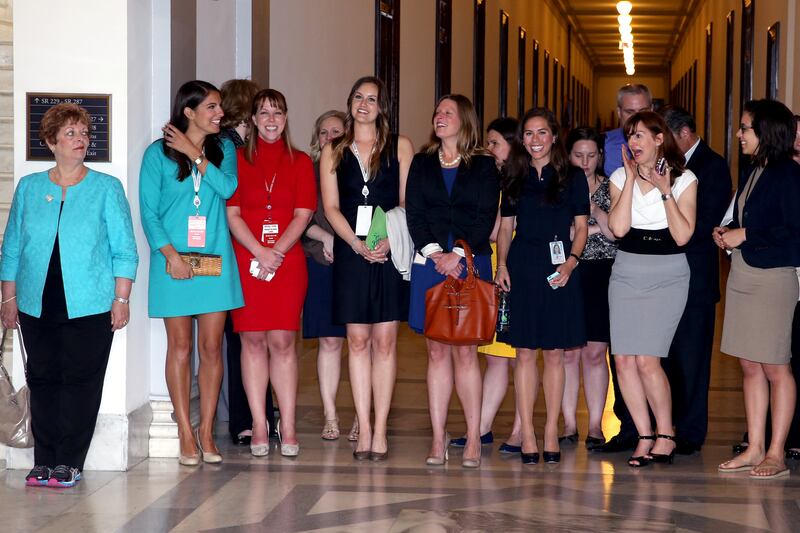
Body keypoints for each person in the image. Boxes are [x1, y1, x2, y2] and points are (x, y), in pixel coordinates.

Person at [0, 103, 138, 488]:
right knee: (42, 378)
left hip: (91, 302)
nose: (81, 140)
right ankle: (43, 460)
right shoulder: (30, 187)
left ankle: (70, 462)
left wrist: (121, 298)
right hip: (34, 301)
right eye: (71, 134)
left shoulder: (106, 188)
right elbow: (11, 247)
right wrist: (8, 299)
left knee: (81, 381)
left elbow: (124, 249)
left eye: (84, 133)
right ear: (50, 142)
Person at [140, 80, 243, 466]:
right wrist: (171, 256)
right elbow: (149, 212)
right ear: (189, 111)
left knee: (212, 348)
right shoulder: (156, 154)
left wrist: (195, 154)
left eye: (219, 107)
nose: (219, 114)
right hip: (173, 262)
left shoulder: (224, 148)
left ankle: (206, 432)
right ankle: (185, 431)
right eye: (212, 107)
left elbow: (228, 188)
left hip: (215, 260)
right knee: (180, 348)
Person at [321, 76, 414, 461]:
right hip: (352, 254)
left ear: (382, 107)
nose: (364, 104)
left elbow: (408, 202)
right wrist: (356, 245)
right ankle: (363, 427)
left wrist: (391, 241)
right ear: (350, 102)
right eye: (358, 97)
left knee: (385, 343)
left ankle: (380, 429)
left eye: (372, 98)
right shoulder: (333, 150)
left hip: (389, 252)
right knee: (356, 342)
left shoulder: (400, 147)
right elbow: (330, 207)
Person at [406, 94, 500, 468]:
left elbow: (485, 214)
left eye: (448, 112)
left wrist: (457, 255)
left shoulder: (484, 165)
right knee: (436, 352)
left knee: (465, 352)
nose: (439, 116)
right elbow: (414, 211)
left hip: (469, 260)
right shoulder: (422, 162)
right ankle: (437, 436)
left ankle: (474, 436)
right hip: (430, 263)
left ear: (465, 120)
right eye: (438, 112)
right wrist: (435, 253)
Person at [495, 108, 589, 465]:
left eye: (542, 133)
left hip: (560, 268)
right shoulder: (514, 176)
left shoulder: (572, 177)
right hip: (522, 266)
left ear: (553, 136)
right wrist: (501, 265)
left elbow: (581, 227)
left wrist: (571, 261)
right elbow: (506, 228)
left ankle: (551, 429)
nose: (535, 140)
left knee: (555, 353)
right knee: (523, 353)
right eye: (529, 134)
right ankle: (528, 433)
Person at [227, 89, 316, 457]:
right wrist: (259, 251)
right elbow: (232, 214)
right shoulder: (235, 160)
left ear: (286, 117)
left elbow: (304, 212)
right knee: (252, 341)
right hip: (248, 258)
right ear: (252, 120)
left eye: (277, 113)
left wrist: (275, 251)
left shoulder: (301, 161)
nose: (271, 120)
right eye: (263, 113)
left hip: (286, 261)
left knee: (282, 342)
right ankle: (260, 424)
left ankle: (289, 425)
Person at [715, 100, 800, 479]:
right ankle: (755, 447)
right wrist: (727, 231)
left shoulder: (789, 176)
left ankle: (777, 452)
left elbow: (794, 233)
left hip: (773, 279)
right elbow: (743, 215)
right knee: (749, 364)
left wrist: (746, 233)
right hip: (744, 274)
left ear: (765, 131)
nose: (739, 134)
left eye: (745, 128)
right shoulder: (754, 169)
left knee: (776, 366)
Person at [607, 111, 697, 467]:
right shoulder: (618, 176)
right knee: (624, 359)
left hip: (668, 273)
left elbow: (683, 235)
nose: (634, 142)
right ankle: (644, 435)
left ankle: (666, 433)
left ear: (660, 139)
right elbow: (617, 228)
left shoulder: (685, 178)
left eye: (641, 135)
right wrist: (630, 181)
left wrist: (664, 192)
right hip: (627, 270)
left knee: (648, 359)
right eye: (630, 136)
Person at [659, 105, 732, 455]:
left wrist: (668, 230)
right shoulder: (665, 165)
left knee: (692, 358)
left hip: (695, 278)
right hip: (663, 276)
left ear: (683, 133)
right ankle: (665, 427)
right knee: (666, 357)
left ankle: (690, 431)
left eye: (665, 135)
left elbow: (705, 223)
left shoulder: (712, 166)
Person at [450, 117, 523, 454]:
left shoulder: (519, 182)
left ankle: (521, 429)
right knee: (494, 354)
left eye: (496, 143)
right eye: (488, 142)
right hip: (489, 267)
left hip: (518, 268)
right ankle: (481, 427)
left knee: (519, 353)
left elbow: (496, 229)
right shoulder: (486, 177)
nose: (489, 149)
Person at [218, 78, 277, 447]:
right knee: (245, 338)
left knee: (251, 338)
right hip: (239, 250)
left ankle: (256, 416)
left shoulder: (247, 145)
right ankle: (249, 418)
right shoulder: (229, 146)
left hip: (249, 249)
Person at [597, 83, 653, 453]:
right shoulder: (606, 147)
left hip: (651, 260)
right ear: (618, 113)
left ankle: (658, 426)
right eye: (627, 111)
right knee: (619, 348)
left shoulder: (661, 147)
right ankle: (628, 425)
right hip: (609, 257)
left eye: (641, 110)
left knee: (649, 352)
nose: (633, 118)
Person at [301, 110, 358, 441]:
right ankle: (331, 415)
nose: (331, 137)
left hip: (358, 265)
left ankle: (362, 417)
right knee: (330, 341)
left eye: (337, 131)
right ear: (316, 139)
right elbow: (297, 215)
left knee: (361, 343)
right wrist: (326, 238)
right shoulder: (306, 172)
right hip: (321, 264)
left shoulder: (358, 173)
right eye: (324, 132)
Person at [561, 127, 615, 450]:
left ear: (600, 156)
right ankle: (568, 423)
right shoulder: (559, 186)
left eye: (591, 156)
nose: (584, 162)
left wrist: (591, 211)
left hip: (602, 274)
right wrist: (589, 228)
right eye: (578, 155)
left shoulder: (611, 187)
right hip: (569, 270)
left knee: (596, 353)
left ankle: (595, 424)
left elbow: (613, 233)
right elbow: (560, 231)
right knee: (569, 353)